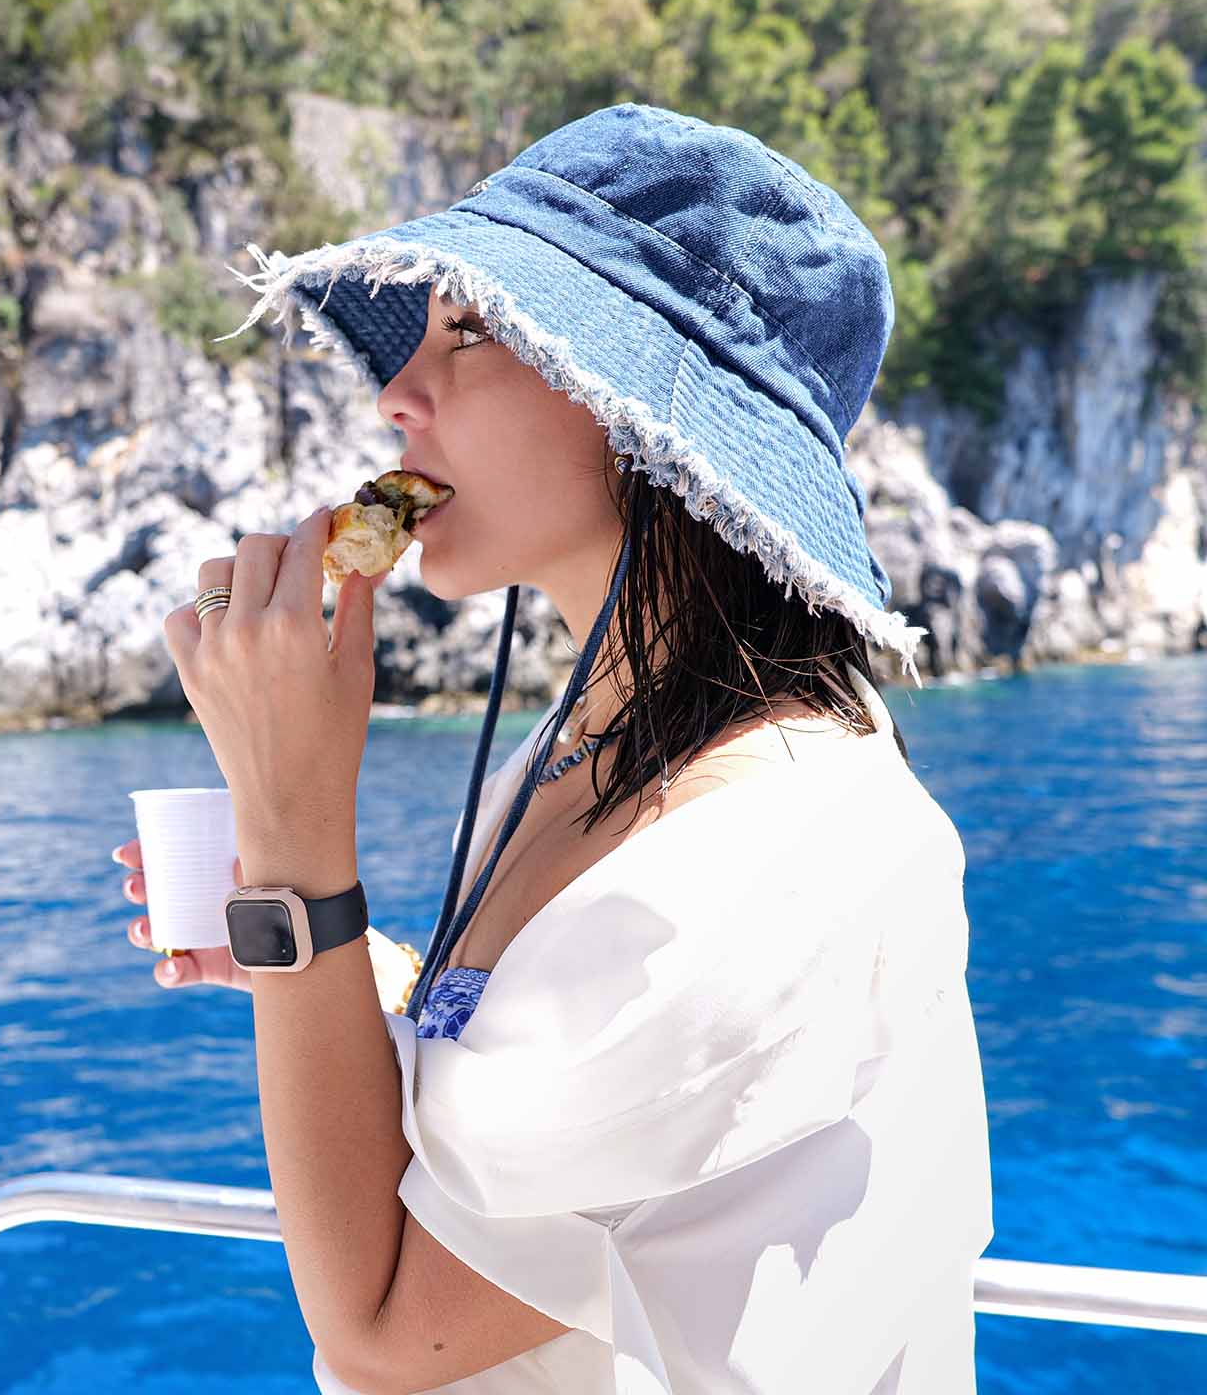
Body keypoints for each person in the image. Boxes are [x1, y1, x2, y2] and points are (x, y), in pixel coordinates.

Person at [115, 103, 993, 1393]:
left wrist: (292, 838)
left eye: (472, 332)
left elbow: (382, 1333)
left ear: (638, 416)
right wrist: (331, 965)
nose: (397, 397)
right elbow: (533, 1052)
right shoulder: (590, 745)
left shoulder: (780, 853)